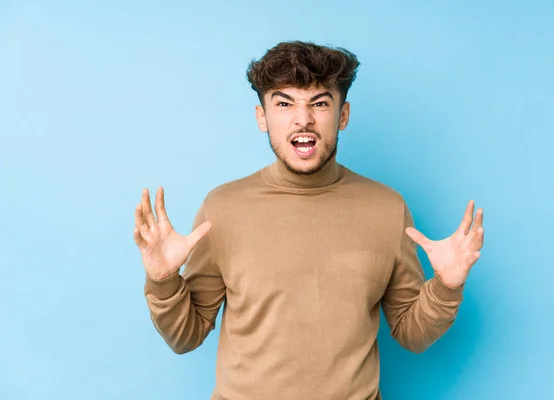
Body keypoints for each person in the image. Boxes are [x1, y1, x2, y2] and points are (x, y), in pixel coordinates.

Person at [134, 40, 485, 400]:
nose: (303, 119)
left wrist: (446, 286)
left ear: (343, 115)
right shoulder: (221, 208)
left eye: (319, 103)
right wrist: (162, 280)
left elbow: (412, 333)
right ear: (262, 117)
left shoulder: (387, 208)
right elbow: (185, 337)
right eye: (284, 104)